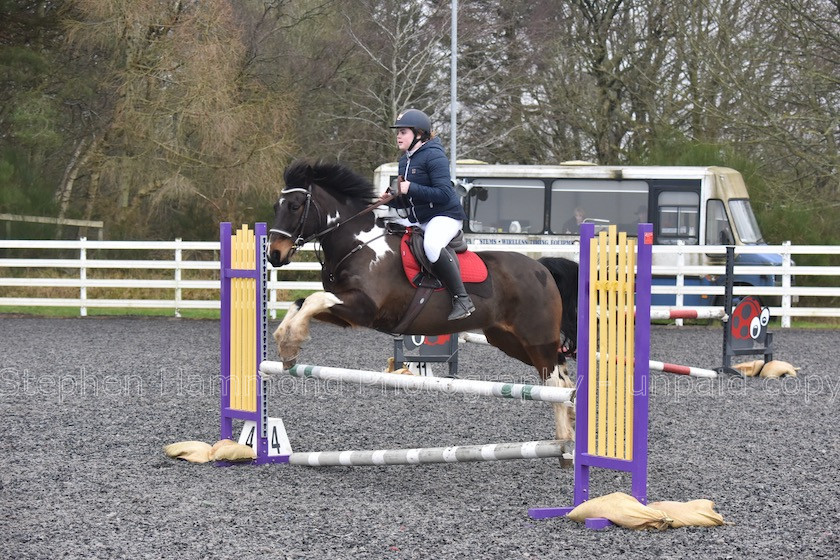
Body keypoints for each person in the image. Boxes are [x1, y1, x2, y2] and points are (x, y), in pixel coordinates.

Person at [385, 108, 474, 320]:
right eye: (398, 131)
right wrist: (392, 197)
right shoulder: (404, 161)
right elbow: (409, 198)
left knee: (432, 246)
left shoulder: (434, 155)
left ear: (419, 134)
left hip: (445, 216)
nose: (398, 135)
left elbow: (444, 193)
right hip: (421, 218)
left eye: (403, 131)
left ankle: (462, 299)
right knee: (387, 229)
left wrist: (409, 188)